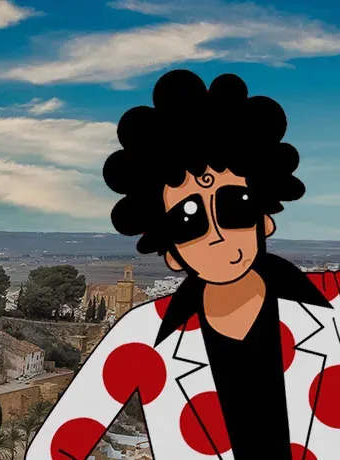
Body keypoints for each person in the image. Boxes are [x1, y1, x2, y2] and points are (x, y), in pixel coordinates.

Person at [25, 69, 340, 459]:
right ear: (171, 252)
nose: (218, 233)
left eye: (236, 206)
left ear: (265, 219)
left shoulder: (333, 304)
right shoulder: (142, 338)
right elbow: (54, 447)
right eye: (188, 222)